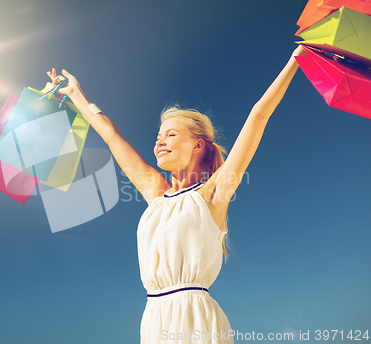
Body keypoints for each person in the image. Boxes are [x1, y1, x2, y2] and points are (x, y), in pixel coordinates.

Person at [47, 44, 306, 344]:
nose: (160, 142)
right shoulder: (157, 195)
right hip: (153, 319)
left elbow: (258, 116)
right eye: (158, 137)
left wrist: (295, 60)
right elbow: (111, 136)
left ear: (197, 145)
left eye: (171, 134)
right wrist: (75, 94)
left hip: (195, 319)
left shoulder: (212, 194)